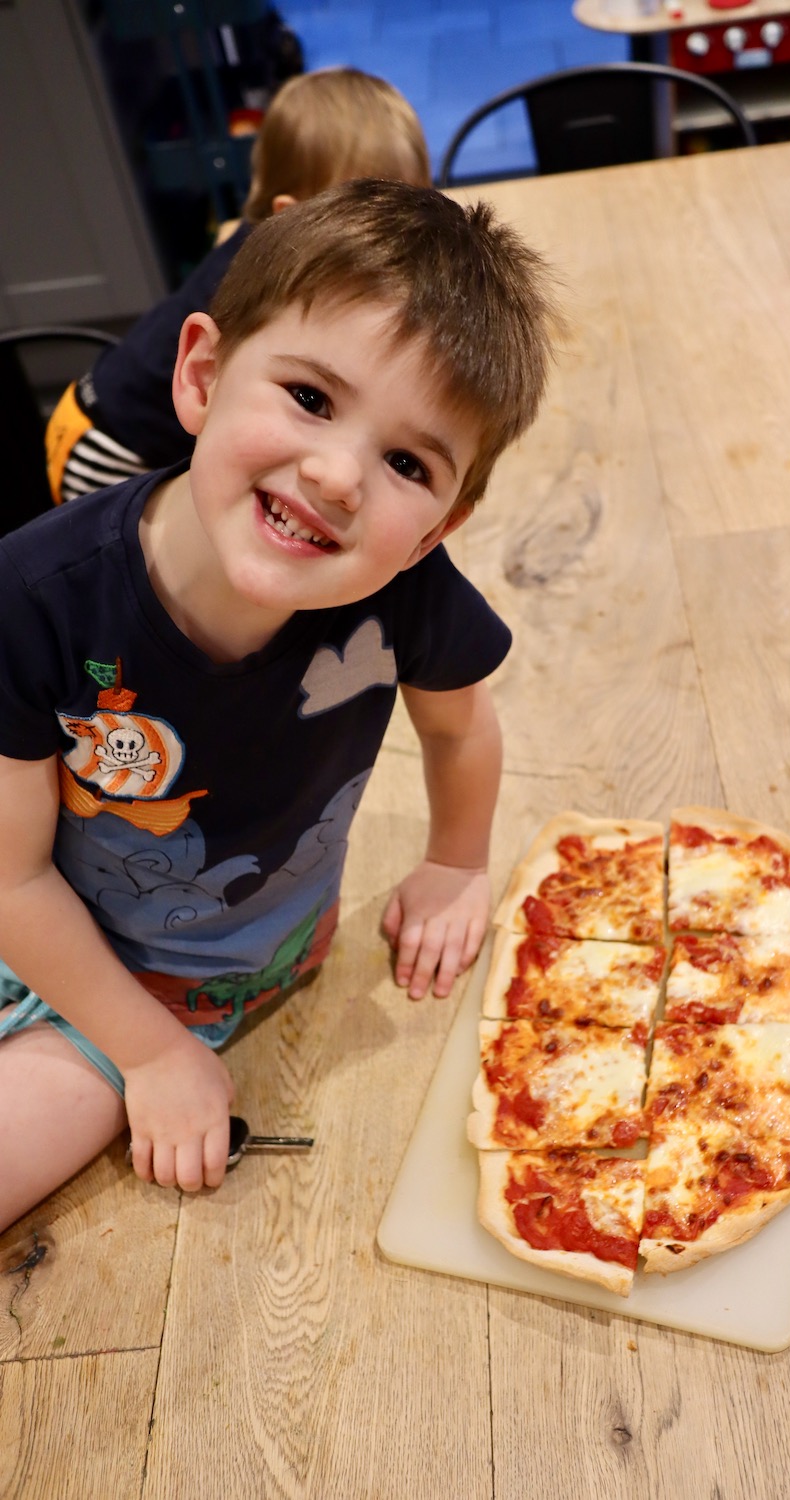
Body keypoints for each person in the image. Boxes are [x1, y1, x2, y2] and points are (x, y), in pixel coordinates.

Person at [0, 178, 558, 1232]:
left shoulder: (410, 598)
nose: (339, 475)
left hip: (172, 995)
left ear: (437, 529)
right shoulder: (33, 597)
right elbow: (12, 877)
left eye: (407, 462)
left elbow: (460, 726)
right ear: (202, 375)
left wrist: (456, 864)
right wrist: (152, 1059)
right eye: (310, 397)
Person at [44, 67, 432, 505]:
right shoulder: (263, 290)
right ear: (290, 218)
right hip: (107, 448)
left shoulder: (295, 257)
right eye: (368, 228)